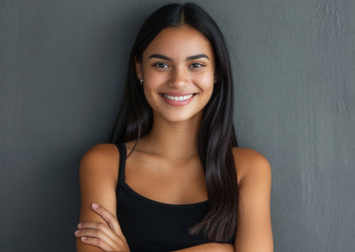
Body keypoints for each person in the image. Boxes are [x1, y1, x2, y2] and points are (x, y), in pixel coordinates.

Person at [75, 2, 273, 252]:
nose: (178, 81)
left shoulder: (248, 169)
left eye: (196, 65)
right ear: (139, 68)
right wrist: (217, 250)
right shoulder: (104, 163)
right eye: (161, 64)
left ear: (216, 72)